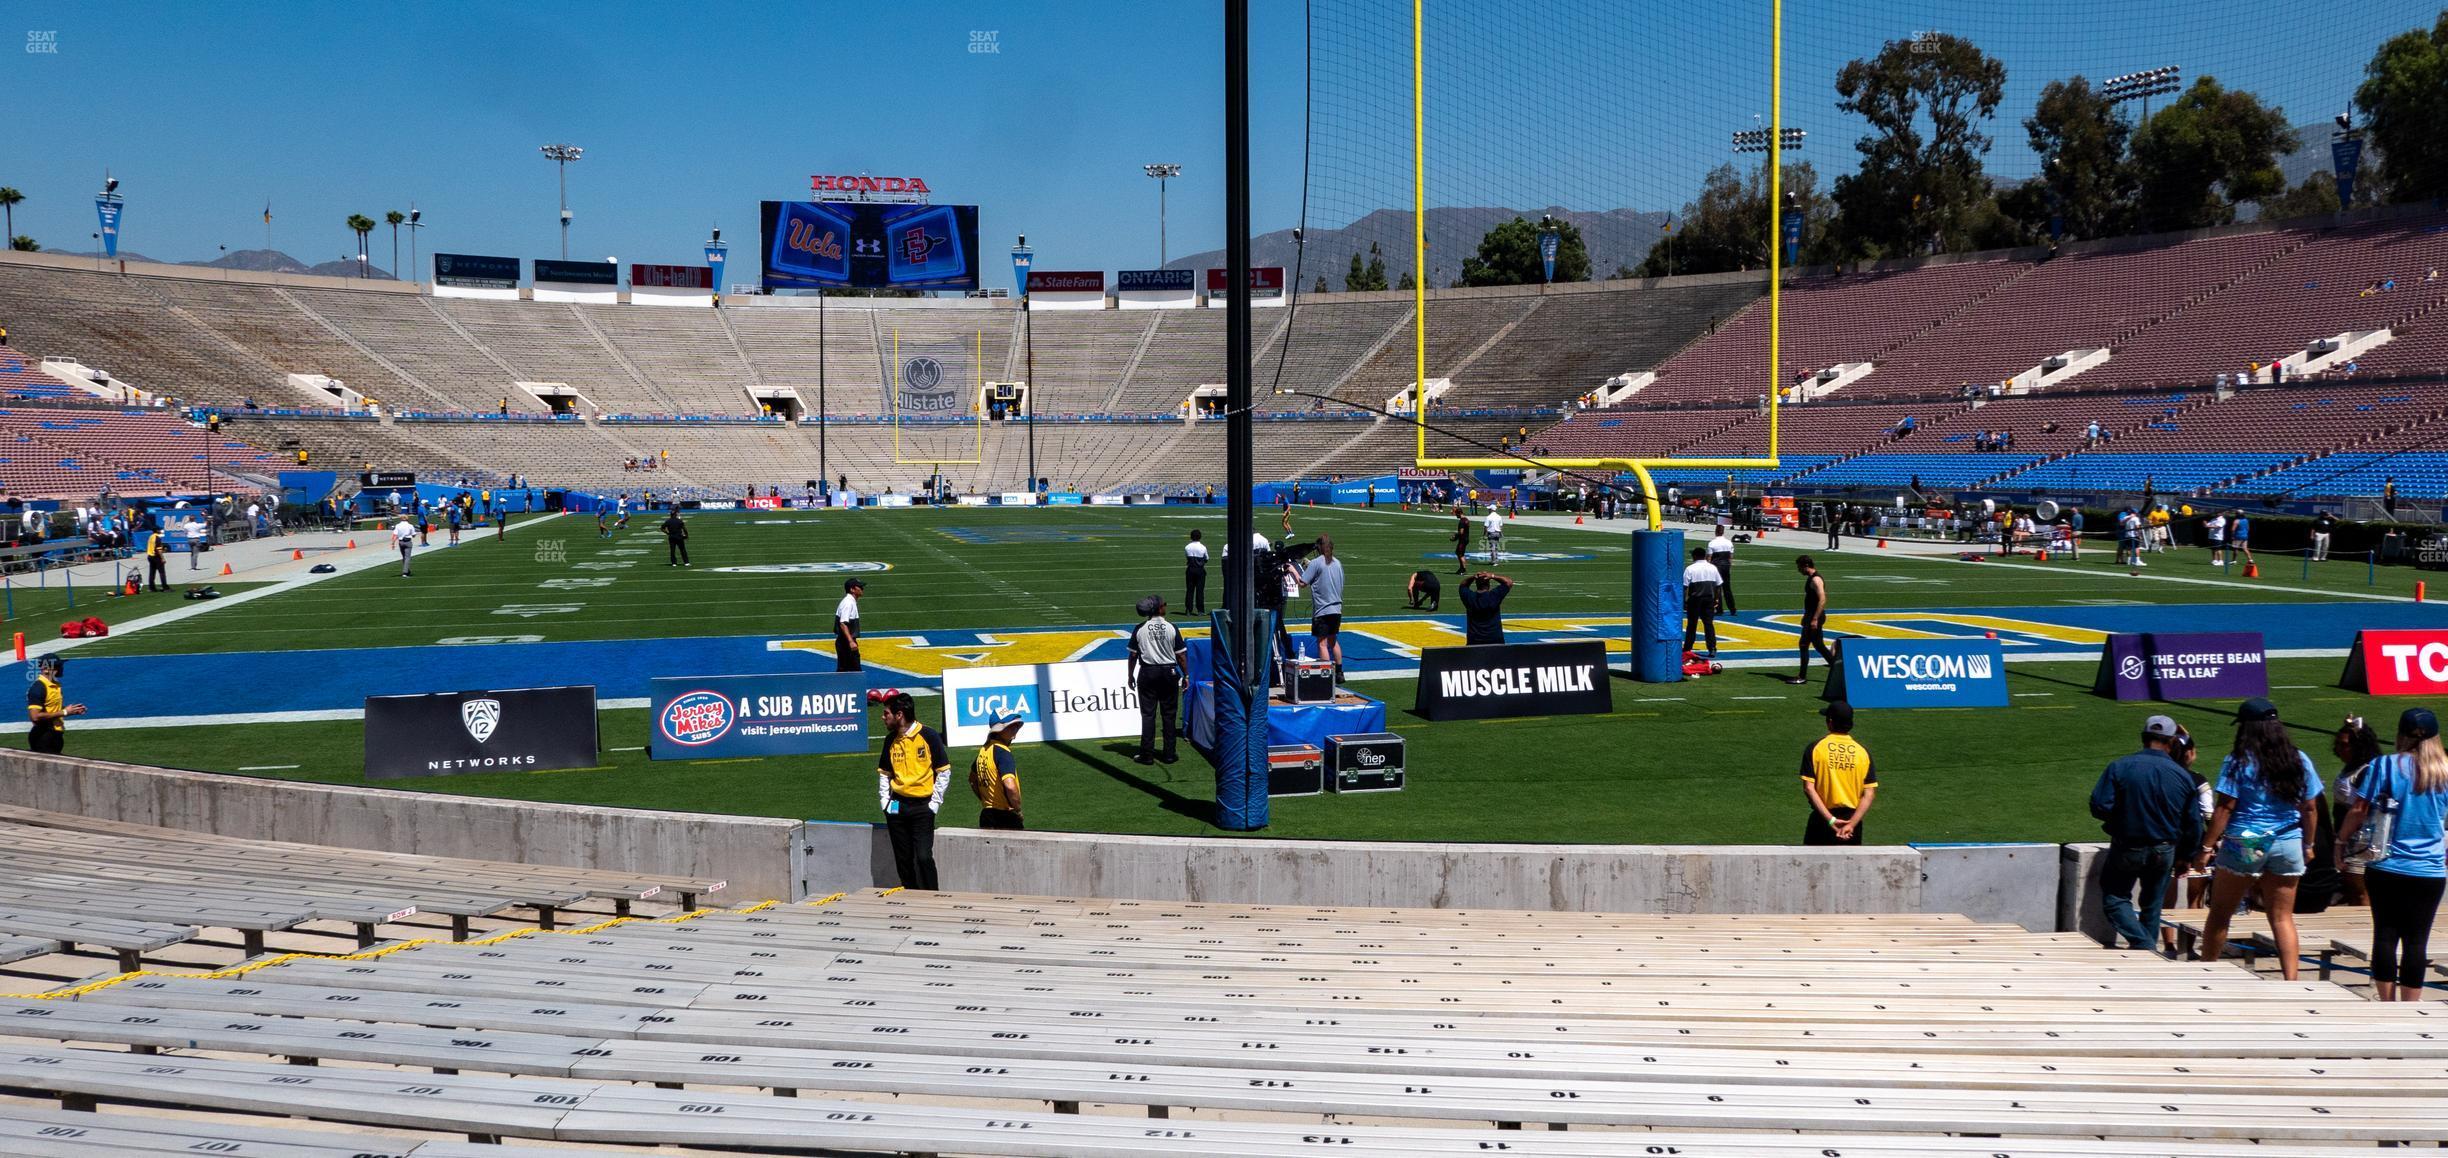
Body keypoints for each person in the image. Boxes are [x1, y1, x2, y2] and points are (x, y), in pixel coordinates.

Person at [2193, 697, 2323, 980]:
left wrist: (2205, 848)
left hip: (2247, 840)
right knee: (2282, 917)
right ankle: (2292, 981)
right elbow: (2310, 808)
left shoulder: (2238, 760)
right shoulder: (2299, 759)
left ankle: (2207, 973)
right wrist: (2309, 845)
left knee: (2220, 913)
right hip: (2288, 840)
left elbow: (2225, 807)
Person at [2336, 707, 2448, 1001]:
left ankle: (2387, 1003)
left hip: (2386, 863)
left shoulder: (2384, 766)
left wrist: (2340, 842)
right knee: (2417, 940)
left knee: (2385, 934)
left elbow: (2359, 810)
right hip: (2429, 868)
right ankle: (2412, 1005)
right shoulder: (2444, 770)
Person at [2090, 715, 2207, 951]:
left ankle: (2144, 945)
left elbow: (2100, 806)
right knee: (2152, 905)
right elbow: (2193, 823)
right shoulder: (2182, 776)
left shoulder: (2120, 766)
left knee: (2115, 897)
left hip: (2128, 845)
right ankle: (2147, 948)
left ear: (2144, 738)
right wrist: (2186, 856)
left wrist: (2120, 820)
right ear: (2172, 742)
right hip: (2164, 849)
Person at [874, 691, 948, 890]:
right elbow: (884, 773)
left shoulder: (928, 736)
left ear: (899, 715)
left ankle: (933, 896)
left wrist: (934, 803)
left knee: (924, 856)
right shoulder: (890, 740)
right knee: (903, 858)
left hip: (923, 807)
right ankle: (910, 895)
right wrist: (885, 802)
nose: (883, 718)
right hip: (897, 805)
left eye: (886, 713)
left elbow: (944, 771)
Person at [1800, 700, 1876, 845]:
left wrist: (1831, 820)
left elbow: (1809, 788)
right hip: (1852, 823)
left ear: (1830, 722)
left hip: (1822, 819)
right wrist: (1851, 824)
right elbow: (1869, 794)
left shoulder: (1815, 748)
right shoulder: (1863, 752)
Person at [2333, 716, 2385, 906]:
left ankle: (2364, 929)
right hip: (2346, 838)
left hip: (2359, 841)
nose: (2339, 748)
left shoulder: (2367, 771)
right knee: (2351, 892)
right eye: (2338, 743)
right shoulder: (2351, 767)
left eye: (2344, 745)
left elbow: (2364, 810)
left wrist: (2342, 839)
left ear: (2359, 746)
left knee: (2361, 894)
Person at [1128, 595, 1184, 765]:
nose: (1165, 606)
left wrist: (1130, 675)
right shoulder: (1171, 627)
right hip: (1169, 672)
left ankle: (1147, 754)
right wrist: (1186, 675)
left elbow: (1132, 655)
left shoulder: (1140, 628)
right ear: (1159, 609)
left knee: (1148, 715)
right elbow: (1181, 655)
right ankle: (1169, 753)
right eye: (1164, 605)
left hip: (1148, 673)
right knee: (1169, 715)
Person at [1300, 535, 1346, 681]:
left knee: (1322, 643)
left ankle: (1326, 675)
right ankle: (1339, 672)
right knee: (1333, 641)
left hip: (1322, 609)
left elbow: (1302, 583)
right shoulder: (1337, 563)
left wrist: (1293, 570)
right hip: (1336, 608)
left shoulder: (1316, 562)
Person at [969, 710, 1025, 830]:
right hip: (1006, 817)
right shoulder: (1003, 753)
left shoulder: (983, 751)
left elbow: (972, 779)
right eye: (1011, 726)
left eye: (1016, 725)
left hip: (986, 816)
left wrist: (986, 800)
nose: (1015, 728)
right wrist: (1018, 809)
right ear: (999, 731)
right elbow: (1010, 786)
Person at [1786, 554, 1837, 685]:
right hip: (1811, 615)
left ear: (1806, 566)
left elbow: (1823, 599)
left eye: (1799, 567)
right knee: (1817, 645)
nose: (1798, 570)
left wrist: (1814, 619)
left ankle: (1803, 676)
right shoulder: (1812, 578)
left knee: (1805, 645)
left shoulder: (1816, 580)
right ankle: (1838, 670)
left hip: (1815, 617)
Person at [23, 655, 85, 756]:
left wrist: (72, 710)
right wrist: (64, 712)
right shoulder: (38, 688)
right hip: (43, 737)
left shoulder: (54, 685)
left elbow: (51, 708)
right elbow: (35, 716)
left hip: (55, 734)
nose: (61, 668)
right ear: (46, 669)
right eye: (57, 666)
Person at [1681, 546, 1721, 657]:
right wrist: (1716, 599)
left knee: (1692, 625)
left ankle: (1688, 647)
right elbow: (1718, 585)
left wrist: (1684, 601)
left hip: (1695, 599)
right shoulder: (1712, 567)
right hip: (1709, 598)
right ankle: (1712, 648)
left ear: (1695, 556)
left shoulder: (1690, 568)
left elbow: (1684, 586)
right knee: (1708, 624)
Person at [1459, 571, 1511, 644]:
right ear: (1488, 584)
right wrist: (1493, 576)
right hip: (1494, 638)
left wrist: (1473, 577)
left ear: (1476, 584)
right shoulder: (1494, 596)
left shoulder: (1470, 597)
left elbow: (1463, 585)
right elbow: (1508, 582)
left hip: (1474, 639)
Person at [833, 579, 864, 672]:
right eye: (860, 587)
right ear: (852, 589)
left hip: (845, 641)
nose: (862, 589)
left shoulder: (850, 602)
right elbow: (843, 623)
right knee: (854, 671)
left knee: (846, 671)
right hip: (846, 642)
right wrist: (851, 641)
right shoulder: (848, 603)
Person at [1182, 529, 1208, 615]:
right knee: (1200, 590)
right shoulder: (1203, 547)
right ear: (1200, 537)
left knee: (1190, 590)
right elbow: (1207, 558)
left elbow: (1187, 557)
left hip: (1190, 569)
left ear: (1191, 537)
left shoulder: (1187, 547)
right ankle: (1200, 610)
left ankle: (1188, 610)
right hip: (1200, 570)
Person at [143, 523, 169, 592]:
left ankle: (151, 587)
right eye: (159, 529)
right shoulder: (157, 537)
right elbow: (159, 549)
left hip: (150, 556)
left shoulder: (151, 536)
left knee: (152, 572)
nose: (160, 530)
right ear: (157, 530)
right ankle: (165, 587)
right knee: (162, 572)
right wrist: (162, 558)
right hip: (156, 556)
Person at [1449, 506, 1471, 574]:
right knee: (1458, 553)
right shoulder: (1466, 519)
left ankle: (1463, 569)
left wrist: (1455, 536)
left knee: (1460, 554)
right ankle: (1461, 568)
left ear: (1459, 513)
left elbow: (1461, 532)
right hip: (1465, 538)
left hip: (1463, 539)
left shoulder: (1462, 521)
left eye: (1456, 514)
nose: (1455, 515)